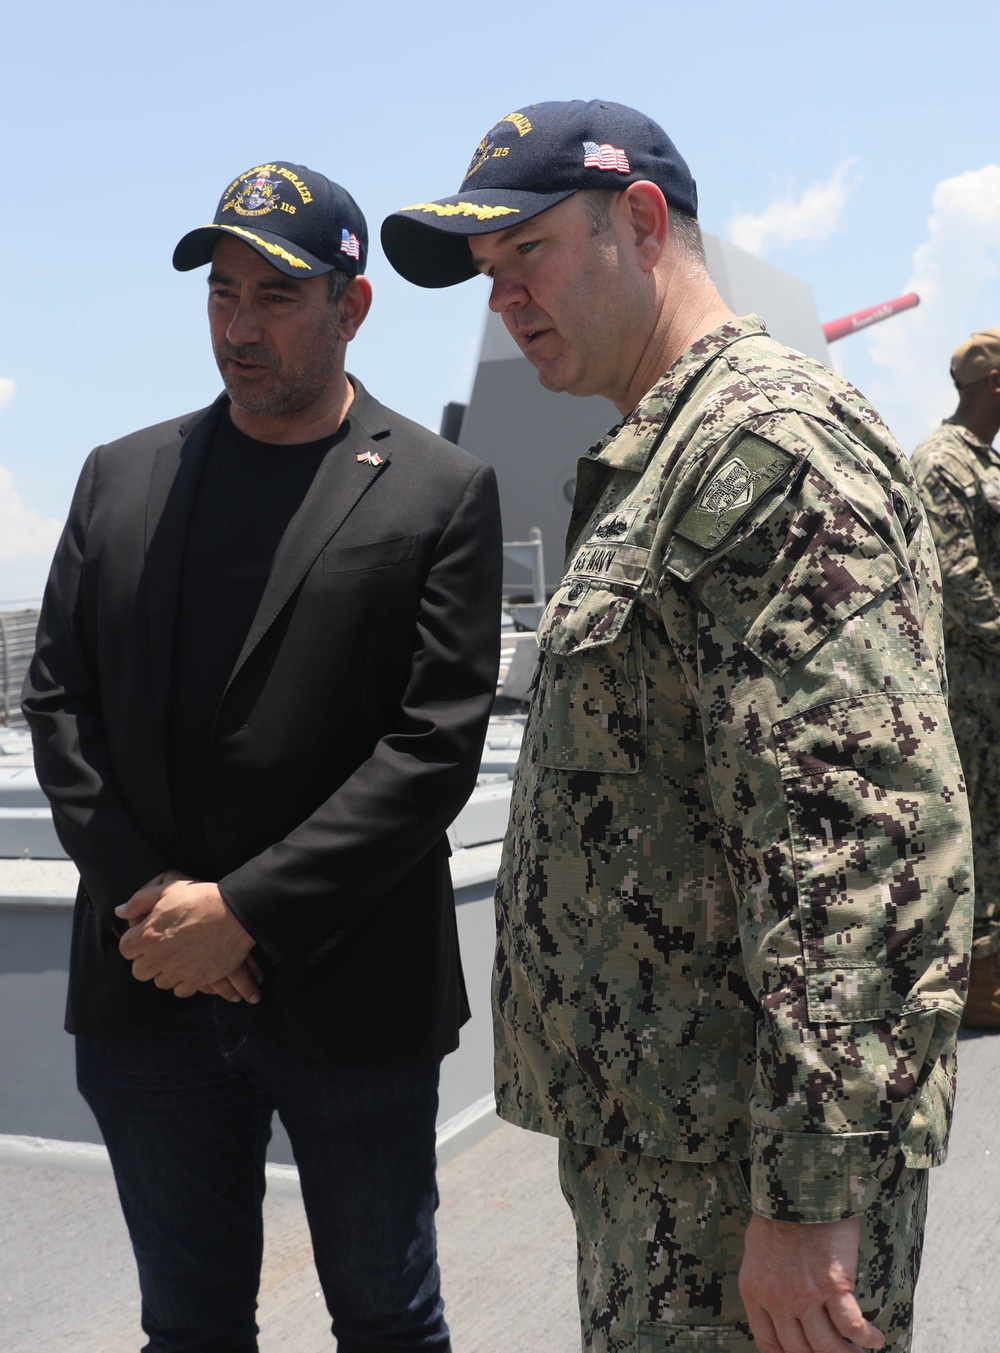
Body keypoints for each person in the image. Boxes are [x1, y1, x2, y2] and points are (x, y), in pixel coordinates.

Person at [380, 102, 973, 1353]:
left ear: (640, 223)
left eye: (525, 255)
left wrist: (810, 1200)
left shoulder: (769, 447)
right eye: (487, 276)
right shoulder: (670, 455)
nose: (501, 299)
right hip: (672, 1157)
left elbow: (855, 841)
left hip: (746, 1190)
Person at [23, 160, 503, 1353]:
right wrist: (161, 906)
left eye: (276, 297)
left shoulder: (440, 490)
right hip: (146, 984)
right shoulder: (120, 476)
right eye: (222, 294)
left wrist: (244, 912)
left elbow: (430, 747)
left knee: (387, 1318)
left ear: (354, 304)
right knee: (188, 1327)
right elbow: (59, 704)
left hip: (351, 992)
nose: (240, 328)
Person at [911, 329, 1000, 1030]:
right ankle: (979, 982)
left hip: (990, 683)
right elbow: (962, 579)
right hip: (971, 689)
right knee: (980, 832)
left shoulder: (982, 461)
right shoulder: (940, 464)